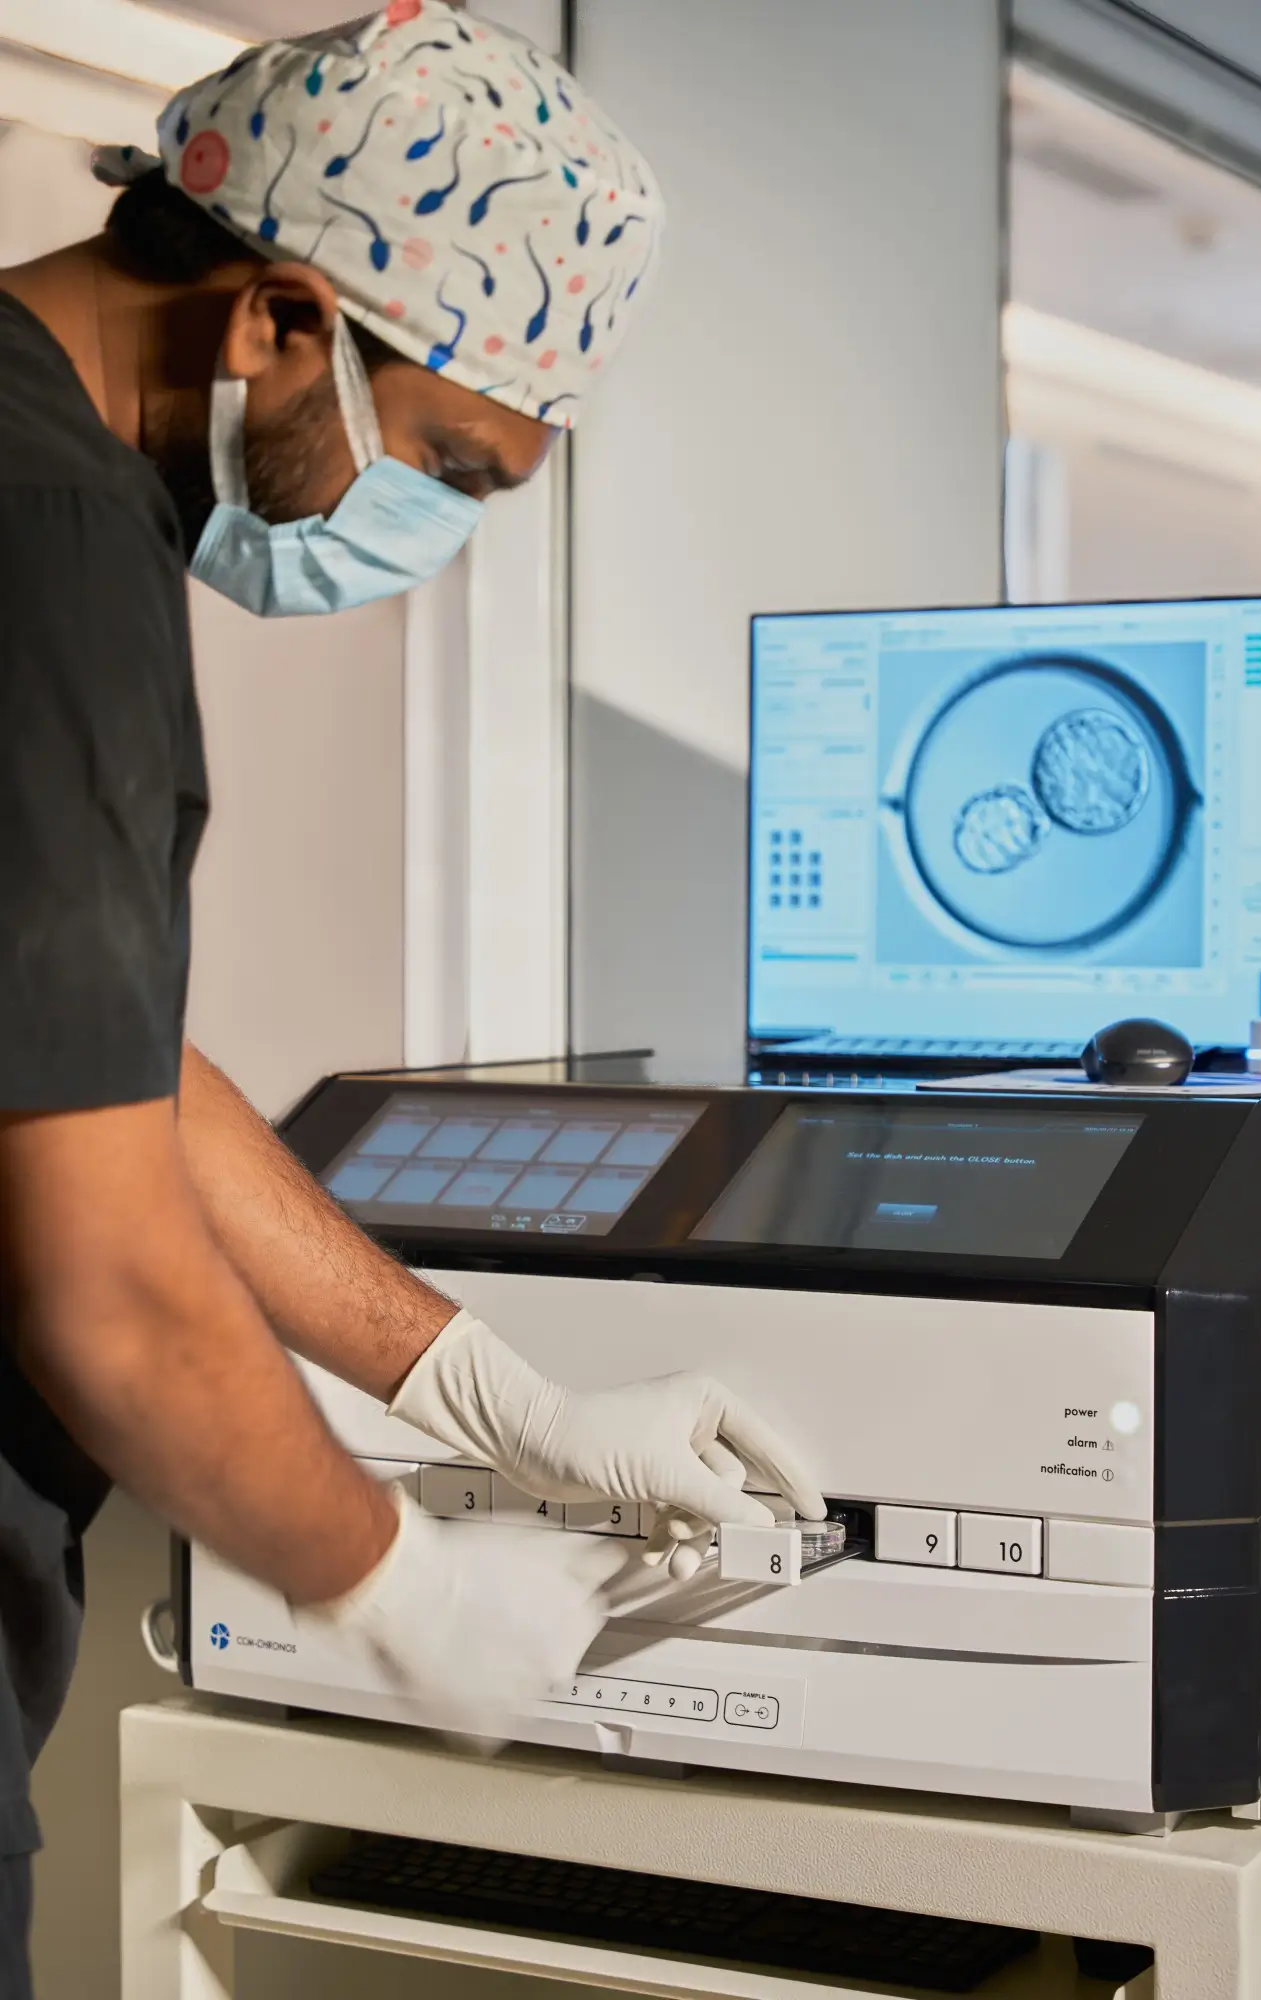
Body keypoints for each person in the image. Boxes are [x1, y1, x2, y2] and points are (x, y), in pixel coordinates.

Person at [0, 6, 821, 1989]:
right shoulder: (44, 542)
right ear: (283, 317)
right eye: (449, 464)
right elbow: (99, 1271)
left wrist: (481, 1390)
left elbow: (90, 1066)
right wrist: (396, 1580)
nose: (434, 534)